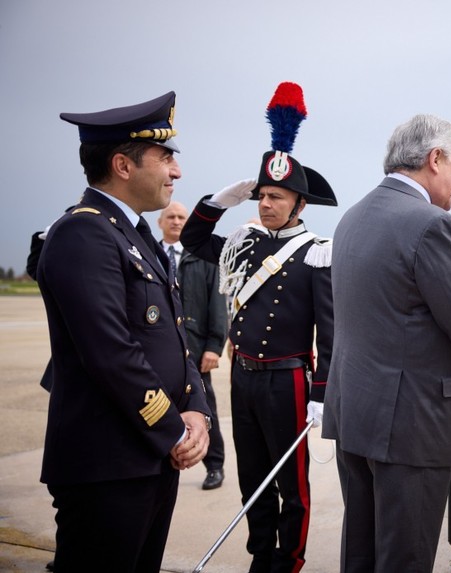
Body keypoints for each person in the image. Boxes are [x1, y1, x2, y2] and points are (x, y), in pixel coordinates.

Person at [37, 91, 212, 573]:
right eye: (166, 157)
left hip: (148, 458)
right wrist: (174, 426)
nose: (176, 172)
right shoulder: (83, 233)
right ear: (123, 165)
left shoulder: (135, 235)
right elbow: (112, 353)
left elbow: (175, 336)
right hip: (107, 466)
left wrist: (196, 409)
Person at [322, 113, 451, 573]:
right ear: (434, 158)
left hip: (357, 416)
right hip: (411, 426)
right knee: (405, 558)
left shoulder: (354, 217)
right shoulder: (431, 224)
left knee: (361, 552)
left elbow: (393, 299)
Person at [181, 81, 336, 573]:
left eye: (277, 197)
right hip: (243, 375)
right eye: (262, 195)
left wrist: (322, 391)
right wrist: (218, 202)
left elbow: (331, 332)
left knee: (292, 482)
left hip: (288, 379)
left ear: (299, 204)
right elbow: (194, 241)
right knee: (253, 478)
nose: (266, 204)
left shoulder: (317, 253)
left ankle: (288, 562)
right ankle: (259, 556)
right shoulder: (243, 242)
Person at [157, 201, 229, 490]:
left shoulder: (203, 257)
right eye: (170, 216)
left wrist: (214, 345)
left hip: (196, 350)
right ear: (160, 222)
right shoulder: (148, 252)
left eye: (181, 217)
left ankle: (214, 465)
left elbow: (218, 303)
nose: (176, 221)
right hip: (158, 350)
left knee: (204, 408)